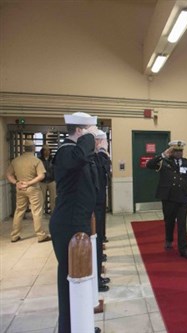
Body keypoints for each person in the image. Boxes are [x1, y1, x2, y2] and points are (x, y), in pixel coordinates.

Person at [49, 112, 100, 333]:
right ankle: (69, 328)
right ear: (79, 131)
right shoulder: (66, 151)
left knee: (79, 277)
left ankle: (81, 324)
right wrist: (87, 137)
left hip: (77, 219)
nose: (95, 137)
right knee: (71, 279)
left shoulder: (75, 152)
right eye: (90, 131)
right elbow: (79, 156)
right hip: (68, 223)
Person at [146, 140, 187, 259]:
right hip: (168, 198)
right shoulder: (163, 161)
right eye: (176, 151)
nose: (179, 153)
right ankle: (169, 239)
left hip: (183, 198)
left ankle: (184, 249)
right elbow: (149, 165)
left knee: (182, 224)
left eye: (181, 151)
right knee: (169, 221)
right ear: (171, 151)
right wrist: (163, 155)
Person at [6, 140, 51, 243]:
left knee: (19, 211)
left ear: (23, 148)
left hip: (20, 189)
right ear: (34, 148)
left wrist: (16, 182)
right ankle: (40, 235)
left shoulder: (16, 160)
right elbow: (41, 176)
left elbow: (8, 174)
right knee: (36, 211)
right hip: (33, 189)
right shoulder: (36, 161)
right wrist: (29, 183)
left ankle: (14, 235)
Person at [94, 130, 111, 292]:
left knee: (98, 238)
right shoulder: (96, 157)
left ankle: (98, 274)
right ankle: (96, 278)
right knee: (95, 238)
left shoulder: (101, 155)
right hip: (94, 204)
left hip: (98, 202)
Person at [38, 145, 57, 215]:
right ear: (42, 151)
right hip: (42, 182)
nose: (47, 152)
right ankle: (40, 213)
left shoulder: (53, 160)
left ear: (50, 151)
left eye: (48, 150)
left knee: (53, 198)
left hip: (52, 181)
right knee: (41, 199)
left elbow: (56, 169)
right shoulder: (39, 160)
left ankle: (53, 212)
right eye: (45, 150)